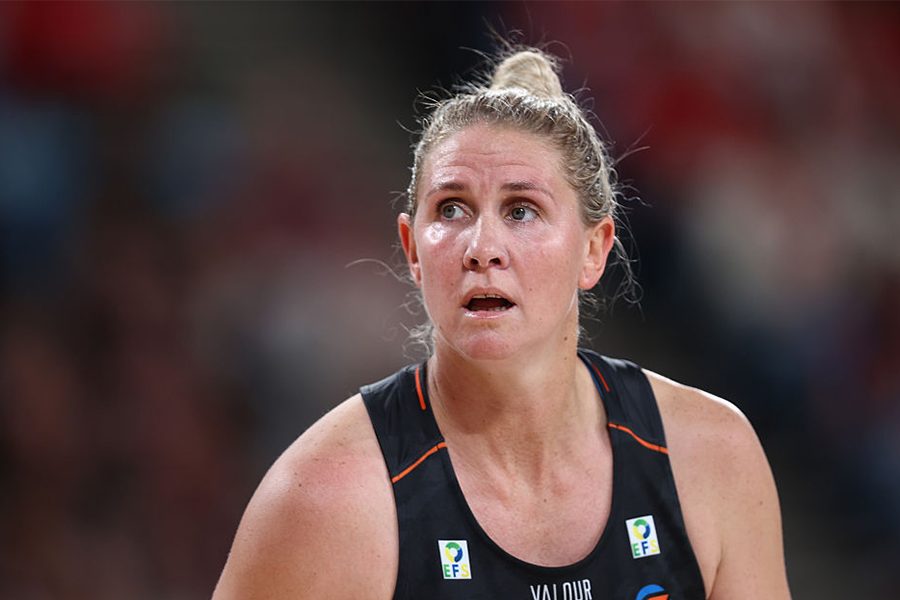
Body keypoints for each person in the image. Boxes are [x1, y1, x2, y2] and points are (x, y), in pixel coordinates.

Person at [212, 47, 791, 600]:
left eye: (521, 210)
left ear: (593, 250)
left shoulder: (711, 457)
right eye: (451, 209)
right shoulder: (325, 498)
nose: (482, 248)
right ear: (413, 251)